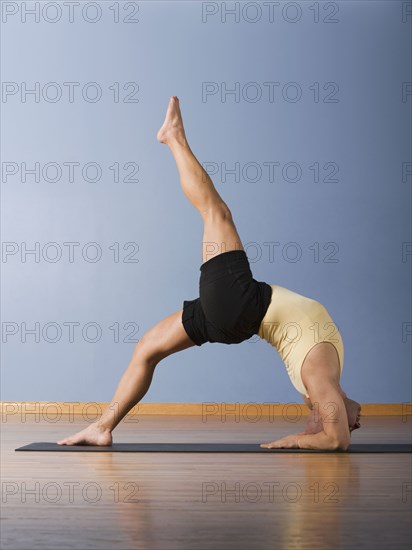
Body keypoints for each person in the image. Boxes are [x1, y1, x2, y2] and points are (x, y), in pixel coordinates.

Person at [57, 96, 361, 451]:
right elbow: (341, 416)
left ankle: (173, 137)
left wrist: (296, 440)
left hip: (243, 303)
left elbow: (336, 440)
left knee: (216, 214)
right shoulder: (329, 372)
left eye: (321, 417)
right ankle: (102, 427)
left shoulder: (317, 373)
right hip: (238, 314)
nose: (353, 420)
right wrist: (344, 409)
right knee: (147, 350)